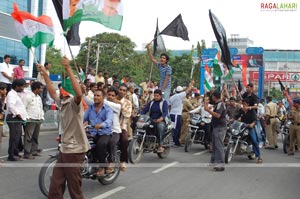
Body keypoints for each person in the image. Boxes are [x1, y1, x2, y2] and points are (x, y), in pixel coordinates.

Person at [39, 56, 90, 199]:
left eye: (61, 89)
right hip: (64, 149)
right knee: (55, 185)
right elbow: (51, 91)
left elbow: (79, 94)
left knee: (74, 188)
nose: (59, 91)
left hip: (75, 150)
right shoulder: (63, 102)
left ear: (66, 91)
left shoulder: (75, 103)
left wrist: (68, 68)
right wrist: (44, 74)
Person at [84, 89, 113, 176]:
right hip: (92, 132)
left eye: (98, 96)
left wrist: (101, 125)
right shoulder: (90, 108)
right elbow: (83, 118)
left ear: (103, 97)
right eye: (95, 95)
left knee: (101, 144)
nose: (95, 97)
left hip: (104, 132)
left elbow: (109, 121)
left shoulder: (108, 109)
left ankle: (102, 166)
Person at [6, 79, 28, 161]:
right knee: (14, 137)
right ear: (17, 86)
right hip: (13, 117)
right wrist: (18, 114)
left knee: (17, 136)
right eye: (22, 86)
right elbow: (11, 106)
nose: (23, 88)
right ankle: (11, 155)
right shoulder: (11, 94)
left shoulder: (16, 94)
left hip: (17, 118)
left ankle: (15, 153)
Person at [235, 98, 263, 164]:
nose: (243, 105)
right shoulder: (241, 110)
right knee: (234, 135)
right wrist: (232, 119)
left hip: (250, 127)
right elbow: (236, 116)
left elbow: (255, 120)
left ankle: (259, 157)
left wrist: (252, 124)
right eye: (243, 104)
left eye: (244, 104)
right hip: (242, 126)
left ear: (248, 104)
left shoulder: (252, 111)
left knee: (254, 141)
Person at [204, 92, 226, 171]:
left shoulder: (220, 104)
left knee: (218, 146)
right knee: (214, 145)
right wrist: (205, 104)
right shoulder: (217, 104)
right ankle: (214, 162)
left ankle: (220, 164)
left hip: (220, 127)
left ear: (214, 97)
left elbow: (218, 115)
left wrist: (208, 111)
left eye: (212, 96)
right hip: (216, 127)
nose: (211, 98)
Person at [169, 80, 194, 147]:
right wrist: (191, 84)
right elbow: (188, 90)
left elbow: (169, 106)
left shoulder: (172, 97)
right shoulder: (180, 96)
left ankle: (176, 142)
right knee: (176, 129)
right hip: (177, 115)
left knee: (174, 128)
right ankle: (175, 142)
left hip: (172, 114)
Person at [23, 81, 44, 159]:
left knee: (35, 136)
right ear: (36, 88)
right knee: (28, 136)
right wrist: (27, 117)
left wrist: (42, 117)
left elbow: (41, 108)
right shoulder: (28, 96)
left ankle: (34, 151)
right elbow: (23, 107)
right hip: (31, 119)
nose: (42, 90)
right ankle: (27, 153)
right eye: (41, 88)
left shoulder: (38, 97)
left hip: (38, 119)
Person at [105, 87, 122, 173]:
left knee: (112, 142)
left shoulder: (117, 106)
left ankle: (112, 161)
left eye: (113, 95)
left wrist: (100, 99)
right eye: (109, 95)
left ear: (115, 97)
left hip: (114, 131)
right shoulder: (101, 105)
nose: (110, 96)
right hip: (102, 130)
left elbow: (106, 103)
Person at [117, 84, 132, 171]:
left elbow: (127, 114)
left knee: (125, 140)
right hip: (108, 126)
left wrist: (119, 104)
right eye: (120, 89)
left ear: (126, 92)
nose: (121, 91)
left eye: (123, 90)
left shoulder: (127, 103)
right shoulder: (110, 99)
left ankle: (122, 161)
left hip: (121, 126)